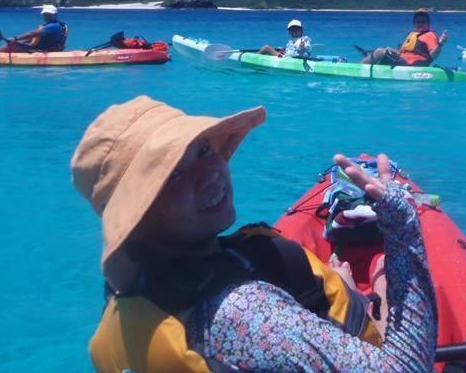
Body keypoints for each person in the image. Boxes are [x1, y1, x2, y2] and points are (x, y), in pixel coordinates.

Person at [71, 96, 437, 373]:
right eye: (173, 175)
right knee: (385, 278)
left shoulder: (127, 301)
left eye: (201, 150)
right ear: (139, 215)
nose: (211, 171)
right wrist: (402, 225)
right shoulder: (242, 313)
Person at [361, 9, 448, 66]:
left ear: (428, 23)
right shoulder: (413, 34)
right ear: (414, 23)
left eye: (423, 21)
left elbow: (432, 56)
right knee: (385, 51)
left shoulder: (429, 35)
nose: (420, 24)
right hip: (403, 61)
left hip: (412, 64)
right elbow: (403, 52)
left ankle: (357, 67)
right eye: (418, 22)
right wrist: (393, 50)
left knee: (380, 52)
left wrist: (440, 44)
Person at [0, 4, 68, 52]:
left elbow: (32, 33)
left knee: (14, 44)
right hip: (47, 47)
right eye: (45, 15)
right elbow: (34, 37)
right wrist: (21, 41)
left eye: (49, 15)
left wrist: (15, 39)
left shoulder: (52, 26)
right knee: (21, 41)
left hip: (44, 50)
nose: (46, 17)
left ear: (55, 15)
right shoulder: (58, 24)